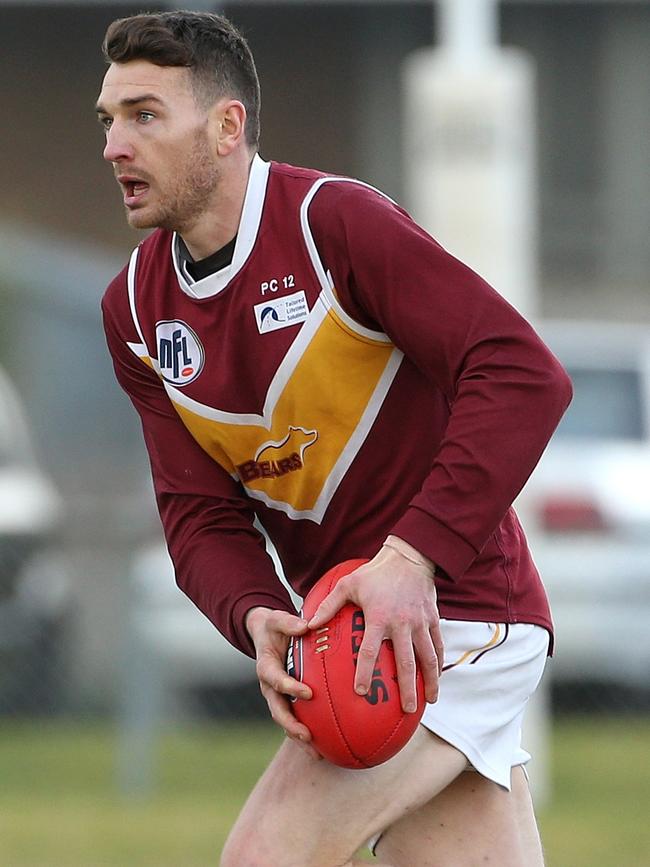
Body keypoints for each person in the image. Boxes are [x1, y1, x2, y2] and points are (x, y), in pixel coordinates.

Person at [96, 10, 572, 866]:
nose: (114, 147)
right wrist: (255, 616)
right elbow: (198, 516)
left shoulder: (331, 224)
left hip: (454, 619)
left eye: (144, 115)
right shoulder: (133, 310)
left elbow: (523, 374)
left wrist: (411, 559)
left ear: (227, 125)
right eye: (109, 120)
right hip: (345, 644)